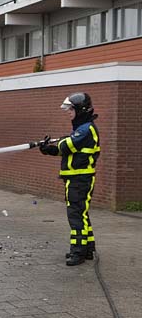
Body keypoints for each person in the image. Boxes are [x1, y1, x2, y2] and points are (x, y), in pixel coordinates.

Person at [38, 92, 100, 266]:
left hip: (79, 180)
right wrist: (48, 149)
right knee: (82, 214)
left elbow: (67, 145)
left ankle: (78, 252)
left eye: (71, 109)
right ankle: (88, 248)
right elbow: (64, 148)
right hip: (78, 180)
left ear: (80, 109)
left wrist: (51, 147)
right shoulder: (82, 129)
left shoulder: (85, 130)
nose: (68, 112)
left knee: (76, 216)